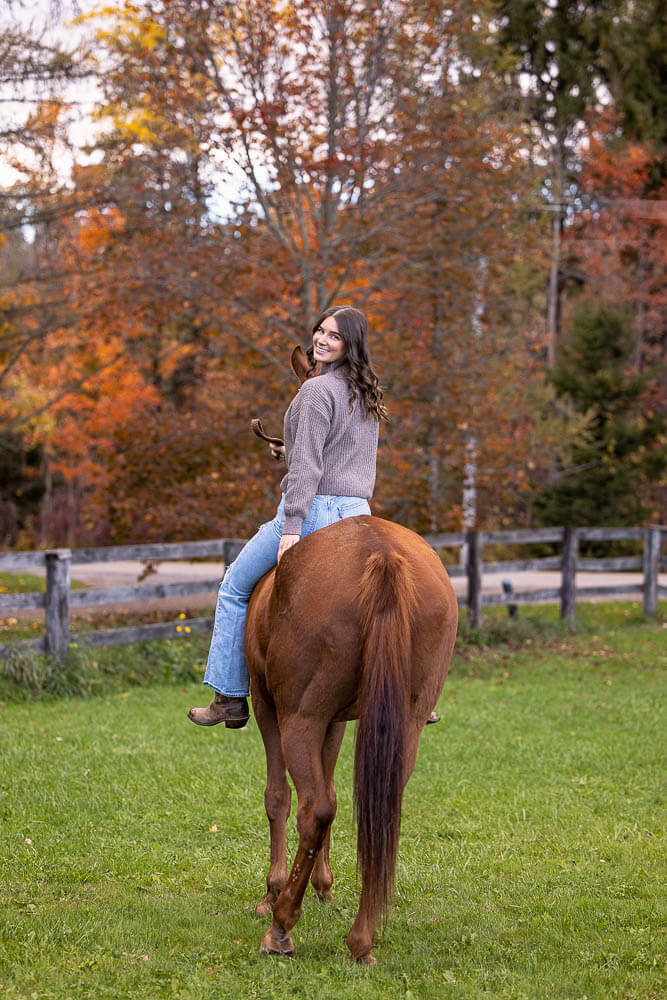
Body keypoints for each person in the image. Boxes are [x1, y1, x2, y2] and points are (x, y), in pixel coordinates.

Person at [188, 305, 388, 729]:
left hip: (317, 511)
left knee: (234, 588)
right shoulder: (366, 392)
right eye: (320, 330)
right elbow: (339, 456)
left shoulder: (315, 392)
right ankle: (410, 695)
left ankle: (228, 696)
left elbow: (311, 471)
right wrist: (290, 451)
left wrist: (293, 526)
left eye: (334, 335)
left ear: (349, 344)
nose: (321, 339)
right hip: (358, 514)